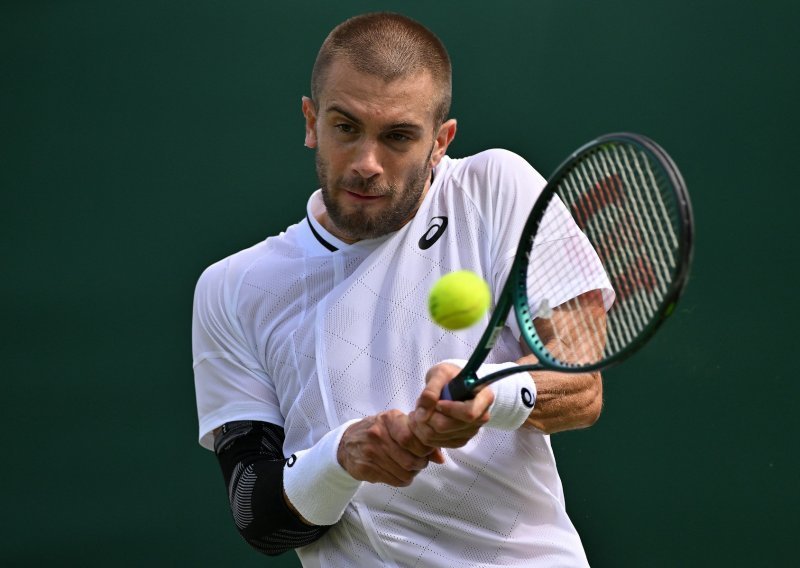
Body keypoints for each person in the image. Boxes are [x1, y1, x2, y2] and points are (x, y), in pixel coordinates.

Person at [192, 12, 610, 567]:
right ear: (311, 121)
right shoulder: (232, 289)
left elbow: (582, 388)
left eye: (397, 136)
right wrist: (342, 458)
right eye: (346, 127)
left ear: (440, 142)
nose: (367, 164)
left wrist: (488, 396)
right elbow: (259, 519)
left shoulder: (495, 189)